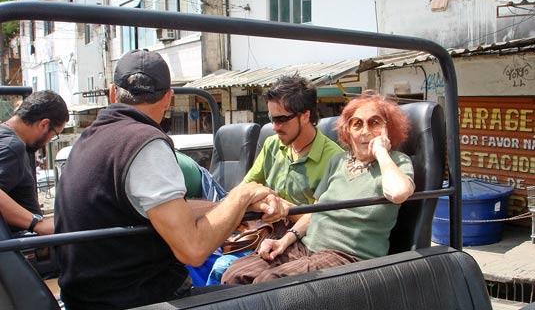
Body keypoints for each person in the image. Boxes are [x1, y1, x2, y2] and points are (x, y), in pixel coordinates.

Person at [54, 49, 288, 310]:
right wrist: (241, 195)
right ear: (168, 99)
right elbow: (193, 250)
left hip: (89, 298)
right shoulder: (145, 144)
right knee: (277, 298)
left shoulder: (85, 141)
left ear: (112, 93)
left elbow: (164, 211)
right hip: (139, 300)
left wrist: (232, 207)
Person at [221, 91, 415, 285]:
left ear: (388, 129)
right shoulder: (338, 161)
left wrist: (381, 151)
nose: (365, 131)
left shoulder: (396, 162)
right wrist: (284, 241)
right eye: (357, 124)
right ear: (348, 131)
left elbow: (398, 193)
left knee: (270, 283)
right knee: (235, 273)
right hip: (307, 247)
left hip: (348, 257)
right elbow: (316, 210)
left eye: (375, 123)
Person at [206, 74, 343, 285]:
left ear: (305, 116)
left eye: (281, 119)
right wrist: (264, 200)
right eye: (271, 119)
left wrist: (282, 206)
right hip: (263, 234)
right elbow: (242, 190)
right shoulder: (272, 145)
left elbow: (320, 219)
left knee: (228, 272)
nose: (275, 126)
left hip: (303, 243)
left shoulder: (333, 158)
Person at [0, 90, 68, 235]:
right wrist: (36, 224)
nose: (49, 141)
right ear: (44, 124)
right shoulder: (12, 147)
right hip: (17, 250)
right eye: (54, 134)